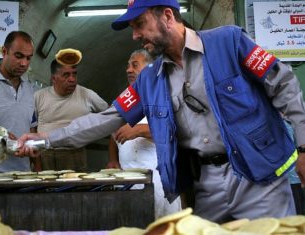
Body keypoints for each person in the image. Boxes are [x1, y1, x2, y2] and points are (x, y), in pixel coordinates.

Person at [17, 0, 305, 223]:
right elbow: (106, 119)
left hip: (259, 179)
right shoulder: (149, 79)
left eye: (140, 24)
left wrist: (304, 148)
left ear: (167, 15)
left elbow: (284, 85)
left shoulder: (229, 42)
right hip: (206, 186)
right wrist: (45, 140)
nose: (135, 35)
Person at [106, 49, 181, 219]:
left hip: (157, 182)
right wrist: (113, 159)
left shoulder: (165, 94)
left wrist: (139, 130)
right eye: (128, 66)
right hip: (127, 181)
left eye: (135, 65)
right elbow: (112, 134)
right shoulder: (125, 99)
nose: (128, 70)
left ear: (151, 68)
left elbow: (174, 131)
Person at [35, 53, 109, 172]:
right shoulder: (39, 97)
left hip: (75, 156)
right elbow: (31, 129)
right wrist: (37, 165)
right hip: (45, 156)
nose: (72, 79)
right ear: (54, 78)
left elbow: (110, 115)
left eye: (74, 74)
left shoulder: (87, 95)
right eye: (66, 75)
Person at [0, 31, 40, 175]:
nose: (24, 63)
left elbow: (32, 130)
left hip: (23, 175)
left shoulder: (30, 88)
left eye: (28, 58)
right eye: (18, 56)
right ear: (4, 51)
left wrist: (37, 168)